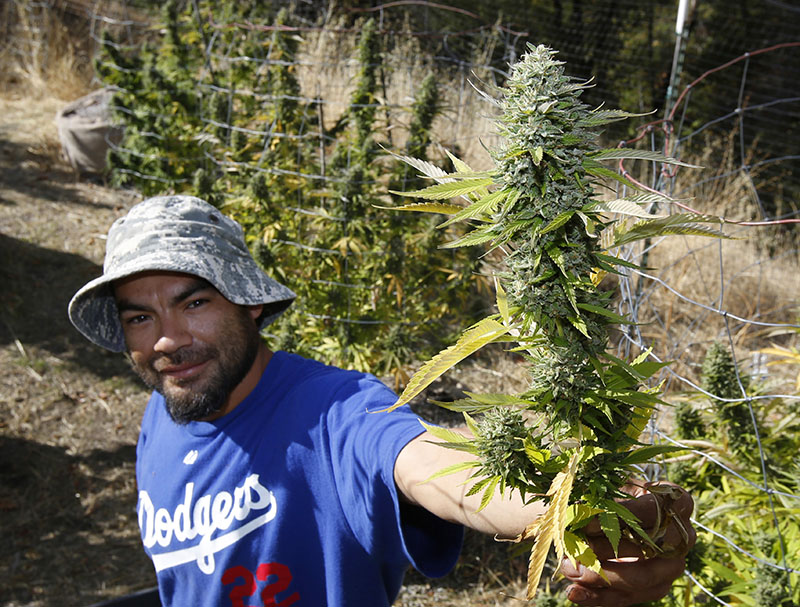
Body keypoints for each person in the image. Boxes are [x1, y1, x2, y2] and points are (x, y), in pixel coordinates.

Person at [68, 195, 695, 607]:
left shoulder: (332, 409)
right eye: (139, 318)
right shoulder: (168, 407)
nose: (168, 340)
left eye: (194, 302)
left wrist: (573, 510)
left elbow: (430, 465)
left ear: (250, 303)